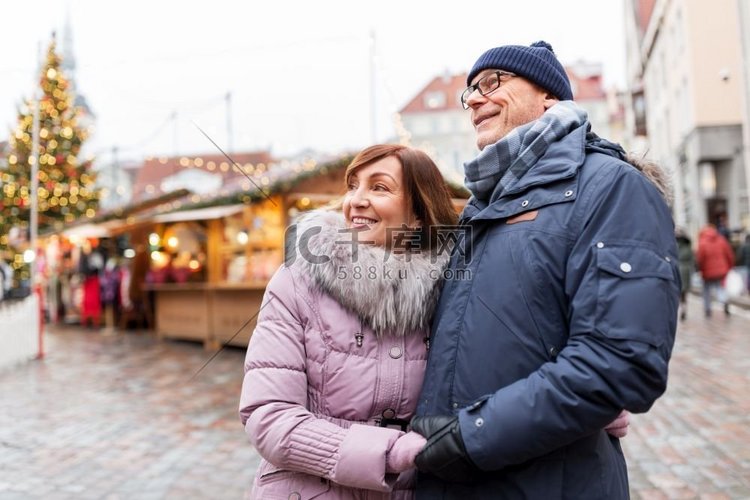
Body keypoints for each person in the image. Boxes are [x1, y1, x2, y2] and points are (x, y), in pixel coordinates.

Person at [238, 144, 633, 499]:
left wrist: (583, 399)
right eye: (353, 186)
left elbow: (513, 356)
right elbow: (269, 417)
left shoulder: (455, 287)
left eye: (378, 188)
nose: (356, 201)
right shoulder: (298, 282)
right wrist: (390, 451)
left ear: (417, 213)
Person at [410, 41, 678, 499]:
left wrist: (467, 437)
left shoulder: (610, 187)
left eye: (492, 82)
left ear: (549, 96)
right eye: (469, 91)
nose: (474, 98)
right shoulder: (482, 205)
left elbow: (621, 362)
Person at [696, 223, 735, 317]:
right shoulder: (721, 240)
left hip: (707, 272)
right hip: (722, 271)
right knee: (720, 288)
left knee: (706, 291)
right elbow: (729, 254)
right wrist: (730, 267)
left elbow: (700, 259)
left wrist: (700, 270)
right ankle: (724, 301)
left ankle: (708, 309)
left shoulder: (702, 242)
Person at [676, 227, 695, 320]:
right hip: (686, 271)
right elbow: (692, 260)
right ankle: (684, 308)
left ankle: (680, 309)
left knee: (677, 292)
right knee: (684, 293)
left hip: (677, 270)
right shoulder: (688, 247)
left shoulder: (673, 246)